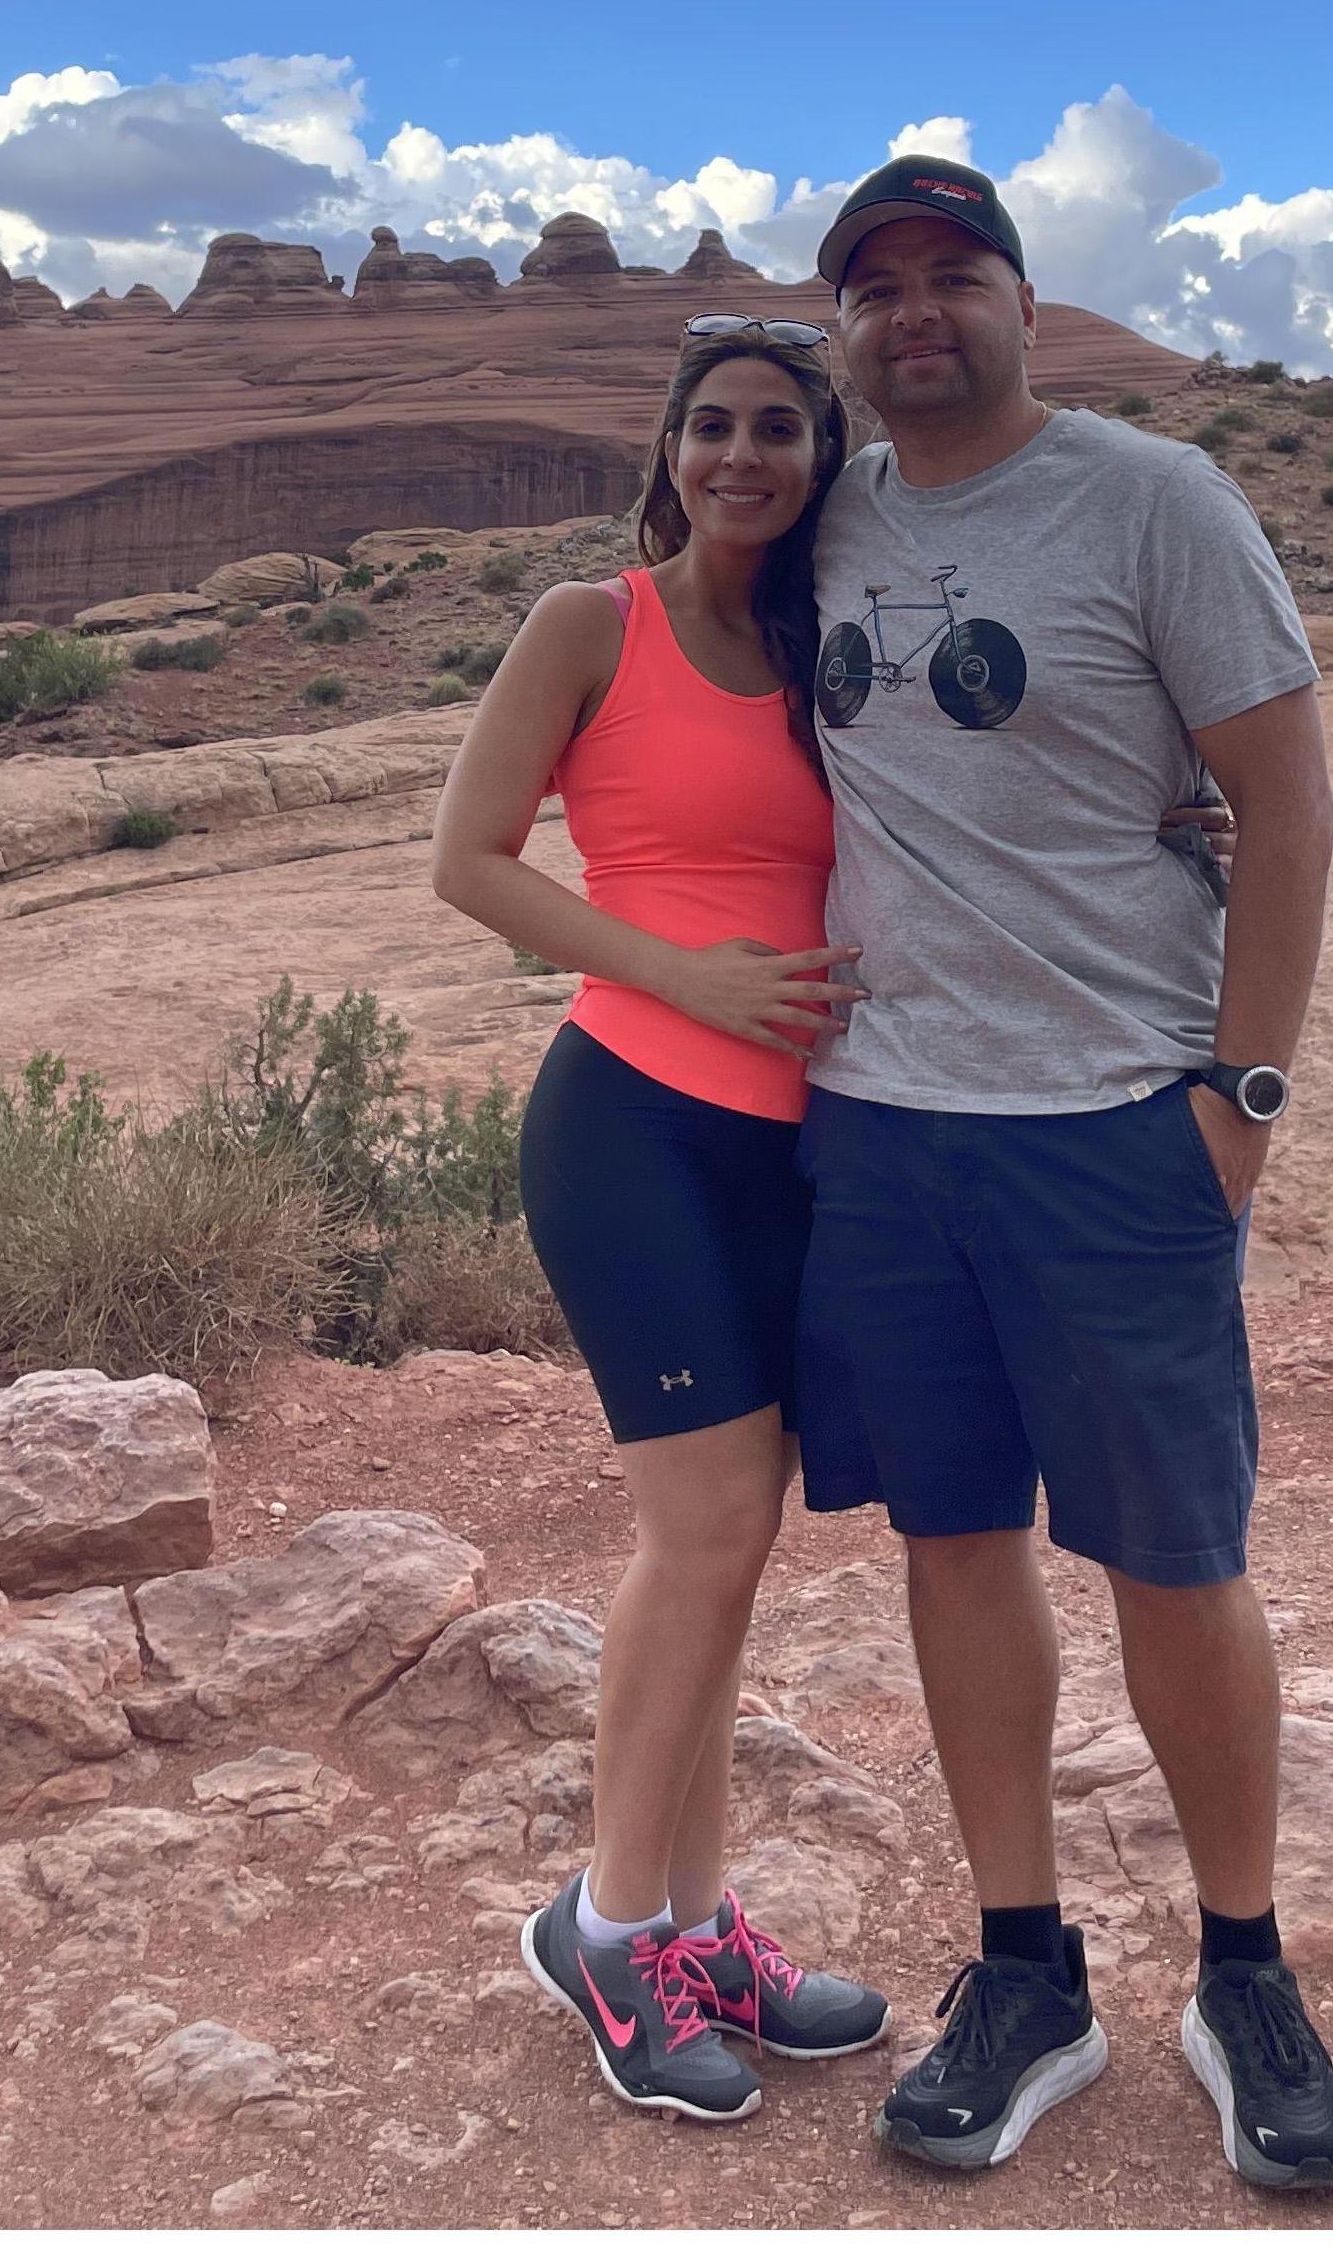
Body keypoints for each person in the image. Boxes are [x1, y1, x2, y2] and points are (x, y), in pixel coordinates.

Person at [792, 154, 1333, 2191]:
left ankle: (1246, 1970)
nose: (915, 314)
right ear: (838, 325)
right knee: (955, 1541)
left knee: (1176, 1558)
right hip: (883, 1128)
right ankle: (1024, 1968)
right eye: (876, 288)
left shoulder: (1155, 503)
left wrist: (1243, 1099)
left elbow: (1286, 811)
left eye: (957, 277)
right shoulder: (821, 512)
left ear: (1025, 304)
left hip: (1116, 1128)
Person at [428, 318, 892, 2124]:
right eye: (714, 427)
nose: (742, 456)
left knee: (735, 1539)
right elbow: (469, 864)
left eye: (779, 428)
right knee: (703, 1536)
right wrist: (687, 974)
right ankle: (612, 1929)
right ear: (671, 449)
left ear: (818, 454)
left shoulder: (832, 651)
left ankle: (700, 1921)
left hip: (800, 1146)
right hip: (633, 1122)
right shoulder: (588, 626)